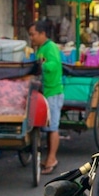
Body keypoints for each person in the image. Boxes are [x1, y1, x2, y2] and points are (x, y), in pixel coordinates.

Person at [29, 19, 63, 174]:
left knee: (53, 127)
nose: (31, 38)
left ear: (42, 33)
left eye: (33, 34)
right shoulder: (41, 48)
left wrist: (42, 64)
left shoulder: (50, 47)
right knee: (47, 126)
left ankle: (52, 159)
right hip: (44, 92)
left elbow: (54, 65)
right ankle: (49, 157)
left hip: (53, 92)